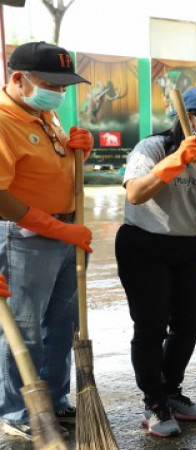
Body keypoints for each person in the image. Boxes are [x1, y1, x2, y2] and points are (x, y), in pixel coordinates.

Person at [116, 85, 196, 437]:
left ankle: (171, 390)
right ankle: (154, 402)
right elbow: (136, 193)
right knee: (151, 326)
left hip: (189, 246)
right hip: (144, 245)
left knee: (189, 324)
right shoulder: (152, 147)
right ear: (190, 119)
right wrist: (175, 161)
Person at [0, 41, 94, 440]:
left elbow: (45, 172)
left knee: (61, 325)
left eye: (63, 85)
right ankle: (16, 410)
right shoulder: (4, 120)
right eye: (50, 83)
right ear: (18, 79)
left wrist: (79, 157)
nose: (59, 92)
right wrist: (57, 228)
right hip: (26, 240)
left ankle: (54, 399)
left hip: (66, 234)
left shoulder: (43, 112)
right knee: (24, 329)